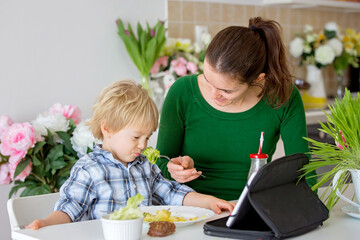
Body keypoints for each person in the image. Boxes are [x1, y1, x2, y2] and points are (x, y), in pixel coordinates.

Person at [26, 80, 234, 230]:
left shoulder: (145, 166)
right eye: (136, 137)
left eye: (147, 137)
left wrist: (210, 202)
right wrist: (45, 223)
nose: (143, 145)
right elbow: (70, 209)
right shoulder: (90, 169)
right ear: (107, 129)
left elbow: (172, 192)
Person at [156, 17, 317, 201]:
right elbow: (158, 163)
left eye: (226, 90)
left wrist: (310, 211)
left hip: (251, 206)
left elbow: (303, 171)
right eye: (208, 80)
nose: (214, 94)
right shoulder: (182, 91)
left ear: (257, 79)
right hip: (189, 207)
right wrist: (174, 171)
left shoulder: (283, 96)